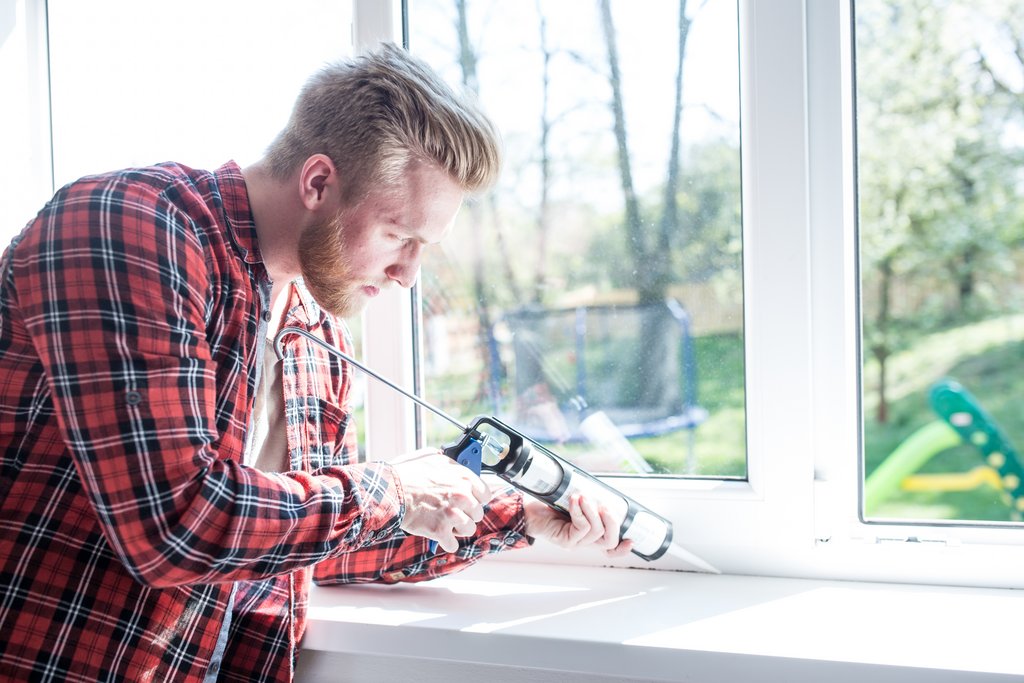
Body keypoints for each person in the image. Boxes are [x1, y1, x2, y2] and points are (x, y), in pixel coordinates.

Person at [0, 44, 630, 682]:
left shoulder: (314, 332)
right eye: (398, 235)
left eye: (424, 246)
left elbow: (313, 540)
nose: (409, 275)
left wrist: (521, 516)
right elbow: (174, 525)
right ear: (319, 182)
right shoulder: (131, 228)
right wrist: (391, 487)